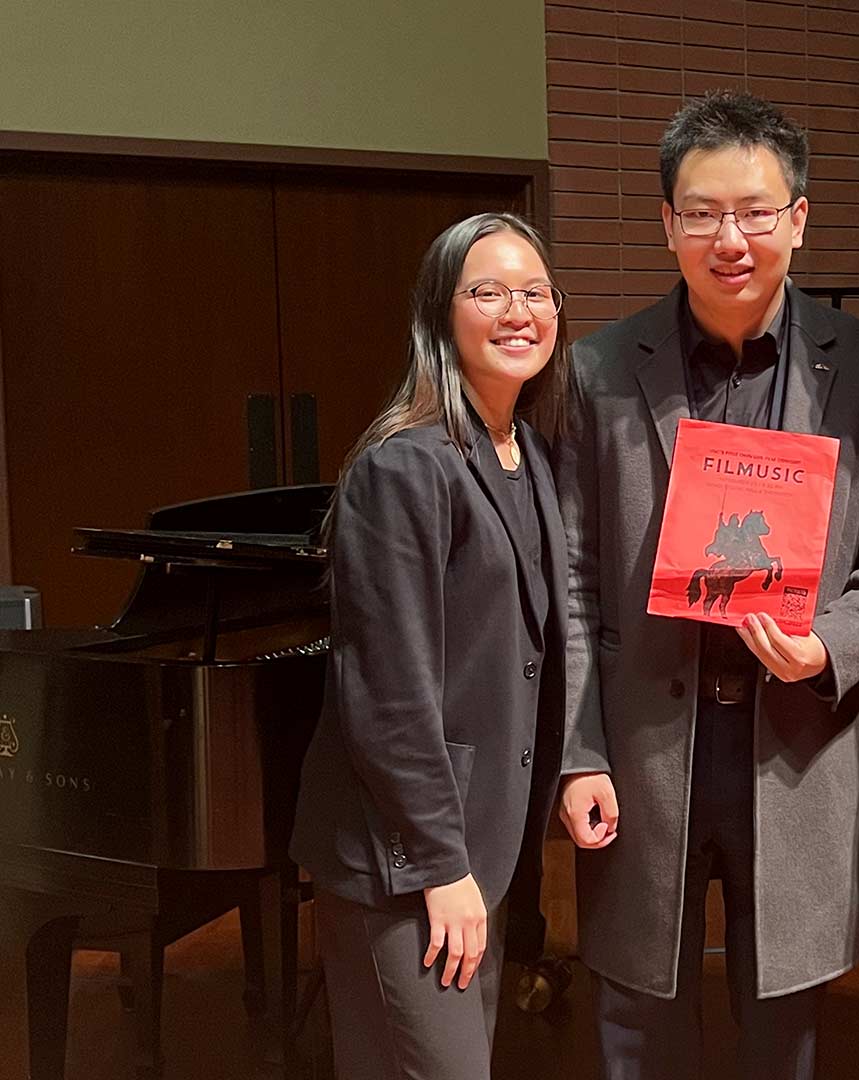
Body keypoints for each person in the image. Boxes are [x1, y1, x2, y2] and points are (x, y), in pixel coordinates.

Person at [553, 90, 859, 1080]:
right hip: (644, 744)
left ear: (798, 220)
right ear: (667, 223)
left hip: (798, 740)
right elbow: (573, 579)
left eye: (757, 211)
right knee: (636, 1017)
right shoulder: (596, 371)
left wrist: (832, 645)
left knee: (785, 1028)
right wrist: (579, 751)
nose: (732, 237)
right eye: (703, 211)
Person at [289, 212, 569, 1080]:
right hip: (403, 861)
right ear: (440, 315)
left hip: (478, 845)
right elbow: (388, 691)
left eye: (535, 292)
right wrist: (439, 867)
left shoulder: (524, 452)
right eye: (487, 292)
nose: (517, 310)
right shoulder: (405, 465)